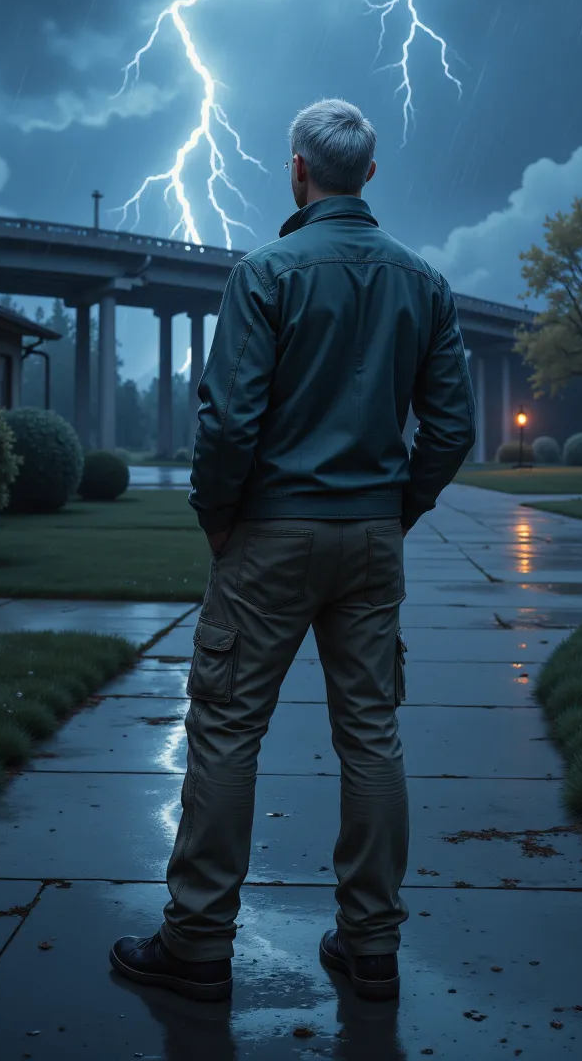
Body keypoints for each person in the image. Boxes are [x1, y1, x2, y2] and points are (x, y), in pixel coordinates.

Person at [110, 98, 476, 1002]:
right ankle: (371, 946)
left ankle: (197, 945)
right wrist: (400, 508)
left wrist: (217, 515)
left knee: (229, 730)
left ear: (298, 171)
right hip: (369, 540)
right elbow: (452, 425)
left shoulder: (267, 271)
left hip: (270, 533)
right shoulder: (422, 283)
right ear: (369, 175)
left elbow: (230, 419)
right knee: (372, 736)